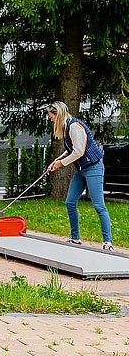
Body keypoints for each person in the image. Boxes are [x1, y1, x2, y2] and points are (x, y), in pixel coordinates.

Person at [46, 101, 114, 250]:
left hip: (93, 168)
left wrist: (61, 164)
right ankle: (75, 238)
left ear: (58, 115)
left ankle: (108, 242)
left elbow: (79, 152)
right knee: (70, 202)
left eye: (51, 117)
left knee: (98, 205)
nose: (51, 120)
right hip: (81, 170)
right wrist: (56, 160)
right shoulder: (66, 128)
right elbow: (71, 149)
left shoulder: (75, 127)